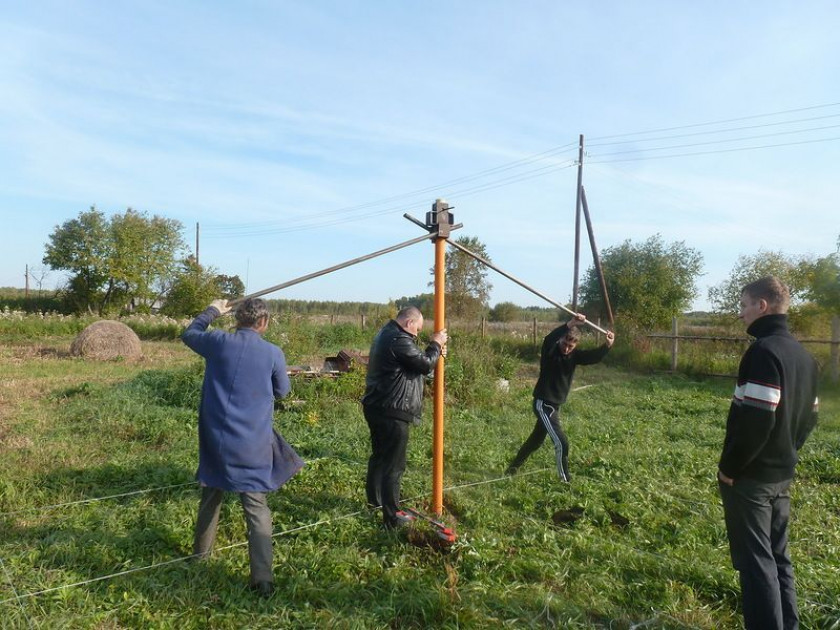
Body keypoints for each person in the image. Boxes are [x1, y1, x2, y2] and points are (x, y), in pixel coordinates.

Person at [182, 297, 304, 598]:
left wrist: (212, 310)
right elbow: (282, 391)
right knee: (256, 506)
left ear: (236, 319)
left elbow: (189, 333)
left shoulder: (218, 342)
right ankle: (262, 579)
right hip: (253, 442)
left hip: (216, 439)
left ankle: (200, 556)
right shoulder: (273, 353)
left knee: (211, 494)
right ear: (263, 323)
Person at [718, 276, 819, 630]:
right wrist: (788, 451)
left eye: (744, 304)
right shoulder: (803, 355)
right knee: (778, 557)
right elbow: (811, 416)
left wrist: (730, 468)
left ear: (762, 306)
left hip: (752, 479)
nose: (741, 312)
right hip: (781, 475)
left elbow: (757, 421)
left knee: (756, 563)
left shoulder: (764, 352)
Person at [361, 306, 447, 529]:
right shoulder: (399, 339)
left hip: (379, 406)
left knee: (380, 457)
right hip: (392, 410)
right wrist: (436, 343)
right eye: (417, 330)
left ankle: (376, 502)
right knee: (394, 465)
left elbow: (419, 366)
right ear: (409, 323)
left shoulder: (387, 333)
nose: (417, 334)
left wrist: (434, 353)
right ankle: (392, 516)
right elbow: (425, 363)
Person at [506, 313, 614, 481]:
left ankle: (511, 471)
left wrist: (607, 346)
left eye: (571, 345)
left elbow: (593, 357)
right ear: (560, 341)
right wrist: (571, 323)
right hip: (543, 403)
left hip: (554, 406)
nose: (566, 348)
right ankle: (565, 481)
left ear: (576, 344)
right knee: (561, 442)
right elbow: (549, 339)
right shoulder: (550, 351)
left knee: (535, 441)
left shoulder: (574, 356)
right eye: (565, 343)